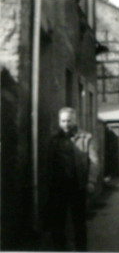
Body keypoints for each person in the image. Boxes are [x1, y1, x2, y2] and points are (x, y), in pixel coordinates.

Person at [45, 107, 99, 251]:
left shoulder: (86, 138)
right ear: (59, 121)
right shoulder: (54, 139)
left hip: (78, 186)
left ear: (75, 121)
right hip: (58, 188)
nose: (66, 124)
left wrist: (91, 181)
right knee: (58, 224)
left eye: (69, 120)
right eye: (63, 121)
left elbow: (94, 162)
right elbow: (49, 163)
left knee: (79, 223)